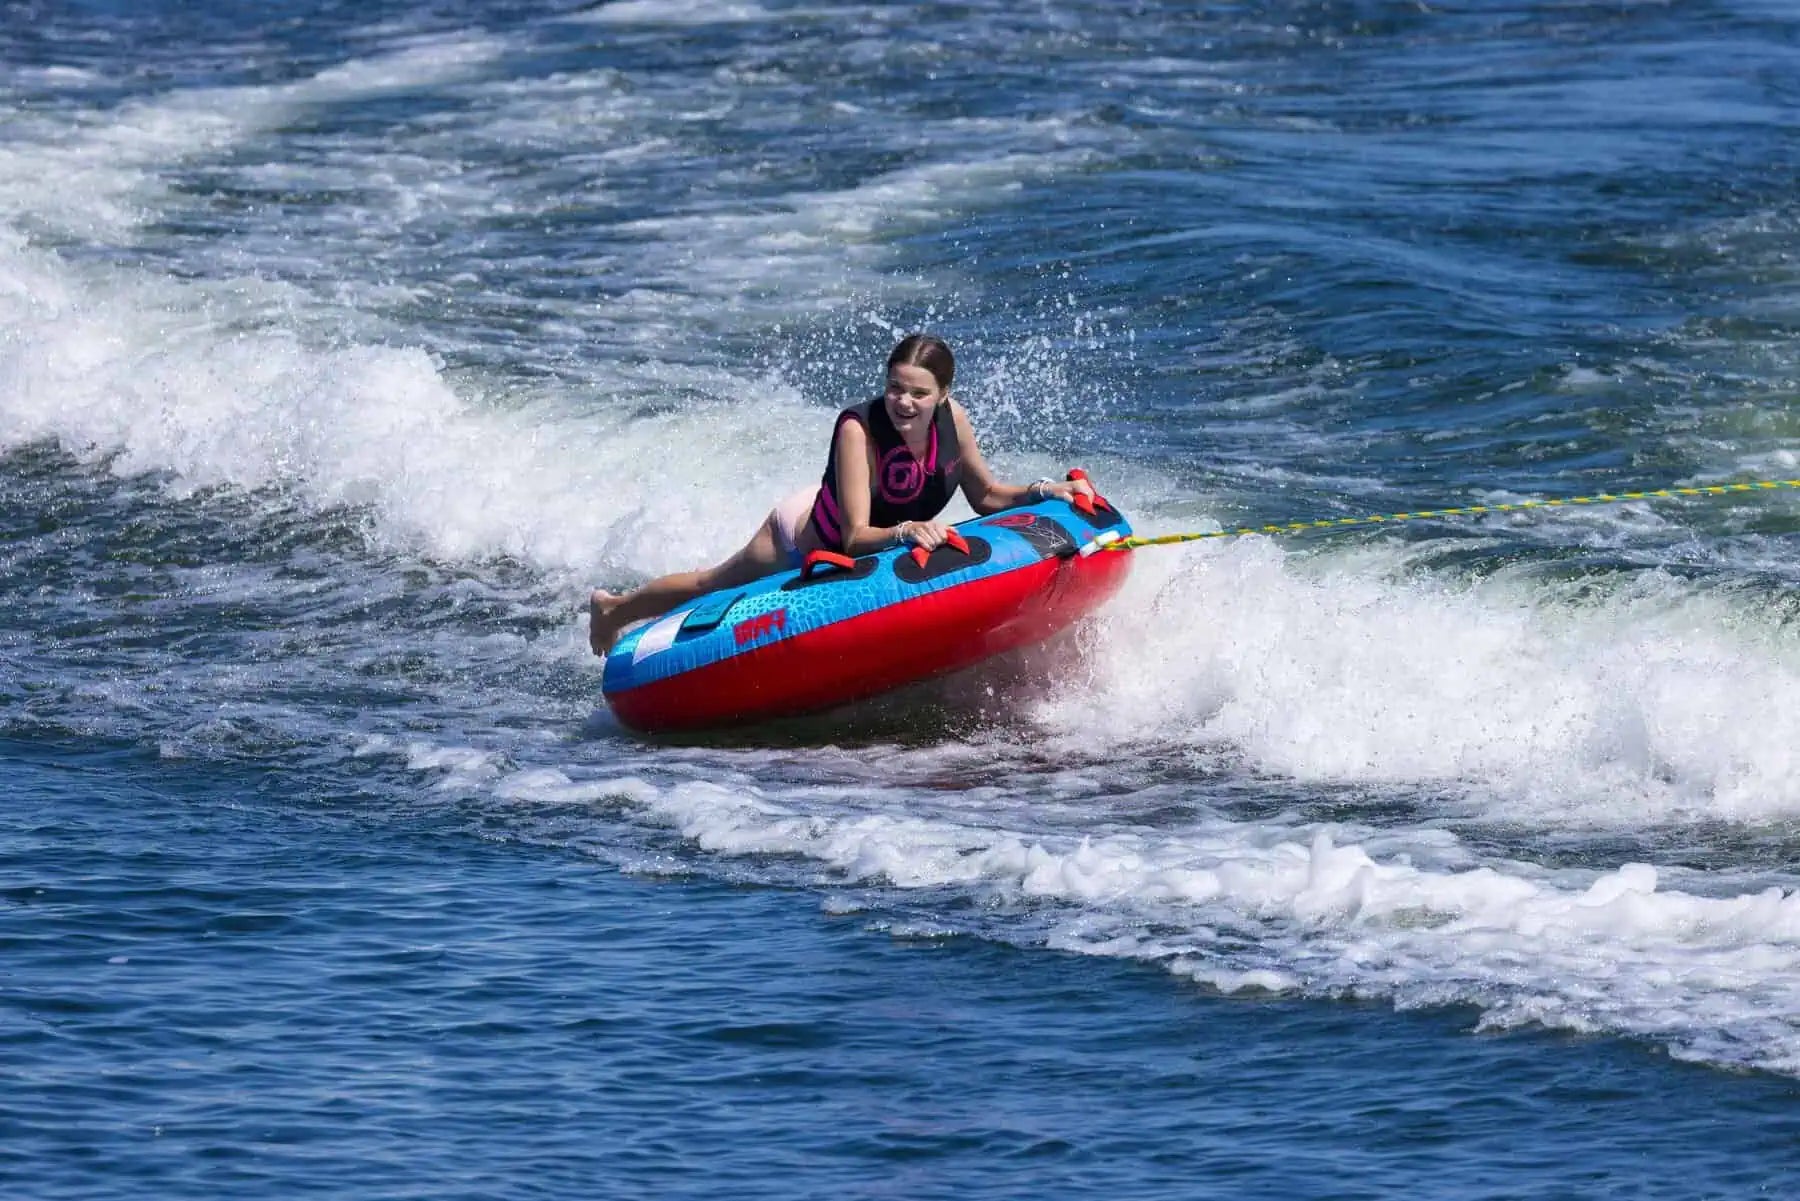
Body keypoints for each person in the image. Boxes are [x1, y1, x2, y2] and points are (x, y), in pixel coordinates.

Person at [588, 333, 1098, 655]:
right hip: (808, 533)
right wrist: (907, 531)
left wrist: (1045, 490)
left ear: (942, 394)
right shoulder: (859, 428)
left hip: (864, 527)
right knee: (712, 585)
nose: (904, 401)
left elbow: (985, 495)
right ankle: (616, 609)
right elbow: (853, 539)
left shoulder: (953, 420)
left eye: (919, 393)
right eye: (895, 387)